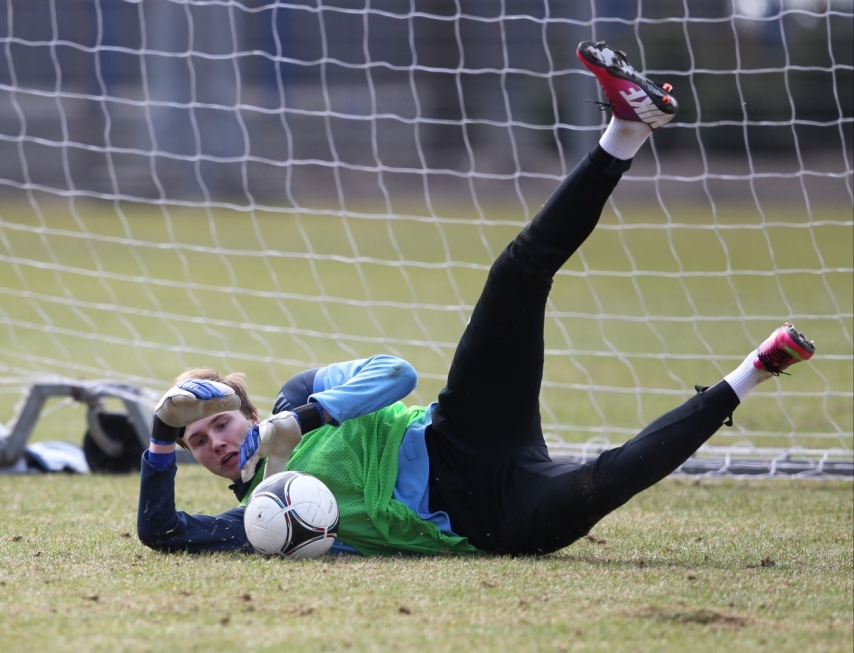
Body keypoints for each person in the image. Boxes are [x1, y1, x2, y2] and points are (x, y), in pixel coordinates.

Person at [136, 42, 816, 557]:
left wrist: (299, 421)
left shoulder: (296, 397)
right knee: (604, 483)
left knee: (514, 276)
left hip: (463, 433)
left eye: (218, 424)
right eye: (199, 440)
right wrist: (162, 436)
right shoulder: (255, 520)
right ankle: (756, 368)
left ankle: (627, 130)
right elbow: (161, 533)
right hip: (492, 524)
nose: (215, 443)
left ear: (249, 412)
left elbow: (395, 373)